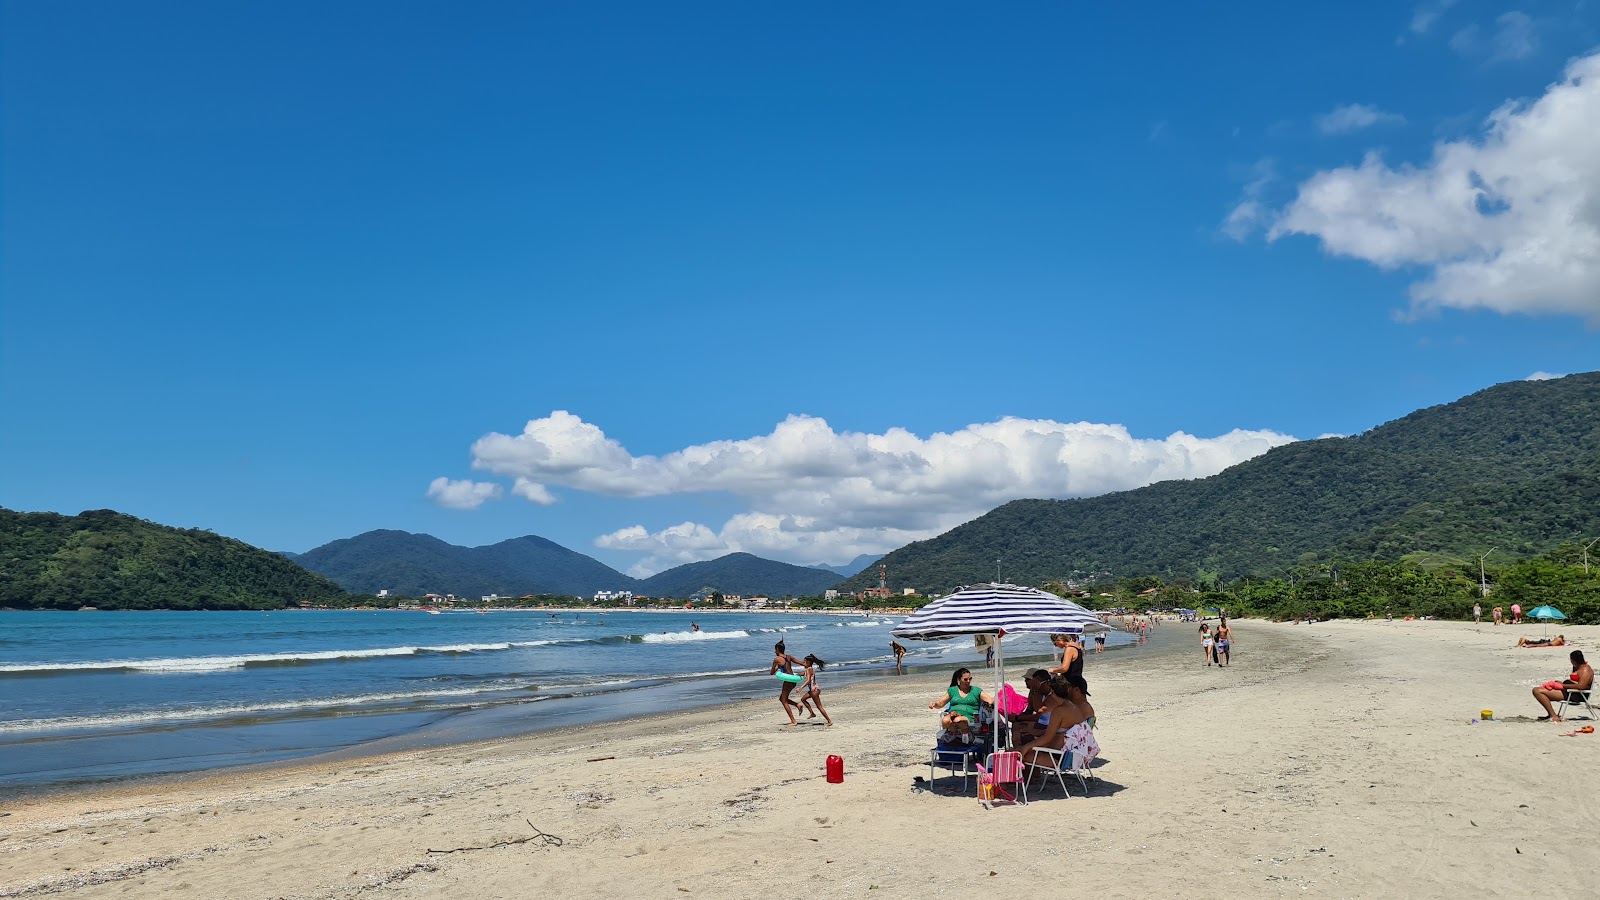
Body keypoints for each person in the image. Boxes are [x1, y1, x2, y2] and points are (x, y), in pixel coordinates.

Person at [1017, 674, 1094, 772]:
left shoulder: (1059, 711)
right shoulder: (1074, 708)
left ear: (1052, 692)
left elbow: (1048, 738)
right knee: (1022, 747)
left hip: (1057, 757)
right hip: (1069, 755)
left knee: (1014, 752)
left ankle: (1012, 784)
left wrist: (1027, 747)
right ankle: (1029, 780)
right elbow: (1063, 732)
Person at [929, 667, 991, 739]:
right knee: (945, 720)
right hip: (953, 715)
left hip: (969, 717)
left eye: (970, 679)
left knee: (958, 720)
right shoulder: (952, 690)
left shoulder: (976, 690)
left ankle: (962, 738)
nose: (968, 681)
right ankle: (950, 738)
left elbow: (989, 700)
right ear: (959, 679)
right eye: (965, 679)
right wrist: (934, 704)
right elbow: (940, 703)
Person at [1532, 650, 1594, 722]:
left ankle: (1553, 716)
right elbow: (1575, 682)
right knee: (1540, 689)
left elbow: (1581, 686)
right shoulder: (1578, 667)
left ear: (1573, 661)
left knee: (1537, 691)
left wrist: (1562, 685)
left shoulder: (1585, 670)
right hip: (1570, 692)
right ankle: (1551, 714)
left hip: (1576, 695)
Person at [769, 640, 806, 726]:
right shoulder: (789, 657)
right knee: (782, 698)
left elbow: (771, 672)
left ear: (778, 649)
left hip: (788, 681)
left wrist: (775, 669)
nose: (774, 651)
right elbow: (802, 663)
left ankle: (793, 721)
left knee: (783, 700)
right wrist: (806, 671)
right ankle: (797, 705)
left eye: (775, 649)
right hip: (793, 680)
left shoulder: (777, 659)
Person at [796, 654, 832, 726]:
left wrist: (801, 688)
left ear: (808, 662)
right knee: (803, 699)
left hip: (814, 691)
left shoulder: (809, 670)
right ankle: (812, 713)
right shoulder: (810, 669)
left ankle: (829, 721)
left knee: (819, 706)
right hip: (814, 689)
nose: (803, 663)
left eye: (804, 662)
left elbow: (808, 680)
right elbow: (803, 673)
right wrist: (794, 675)